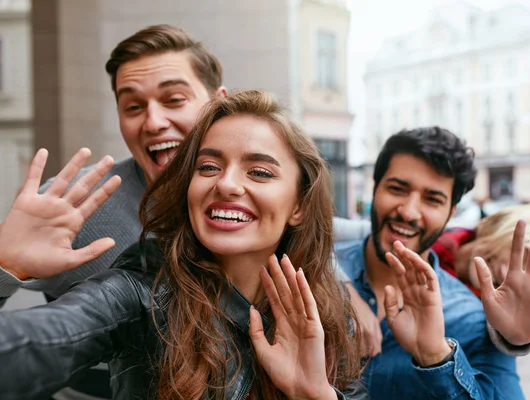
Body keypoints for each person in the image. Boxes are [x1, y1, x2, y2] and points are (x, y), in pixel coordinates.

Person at [0, 24, 367, 399]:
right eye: (207, 167)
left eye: (259, 171)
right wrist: (4, 267)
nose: (226, 184)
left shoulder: (323, 303)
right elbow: (36, 342)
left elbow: (343, 232)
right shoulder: (142, 286)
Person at [333, 127, 530, 399]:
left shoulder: (473, 320)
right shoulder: (315, 263)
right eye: (397, 189)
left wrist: (436, 356)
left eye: (432, 199)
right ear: (374, 189)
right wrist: (341, 286)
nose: (409, 212)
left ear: (451, 212)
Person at [433, 203, 530, 297]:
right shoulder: (425, 236)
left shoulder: (484, 325)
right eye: (525, 256)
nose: (506, 275)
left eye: (528, 278)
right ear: (500, 226)